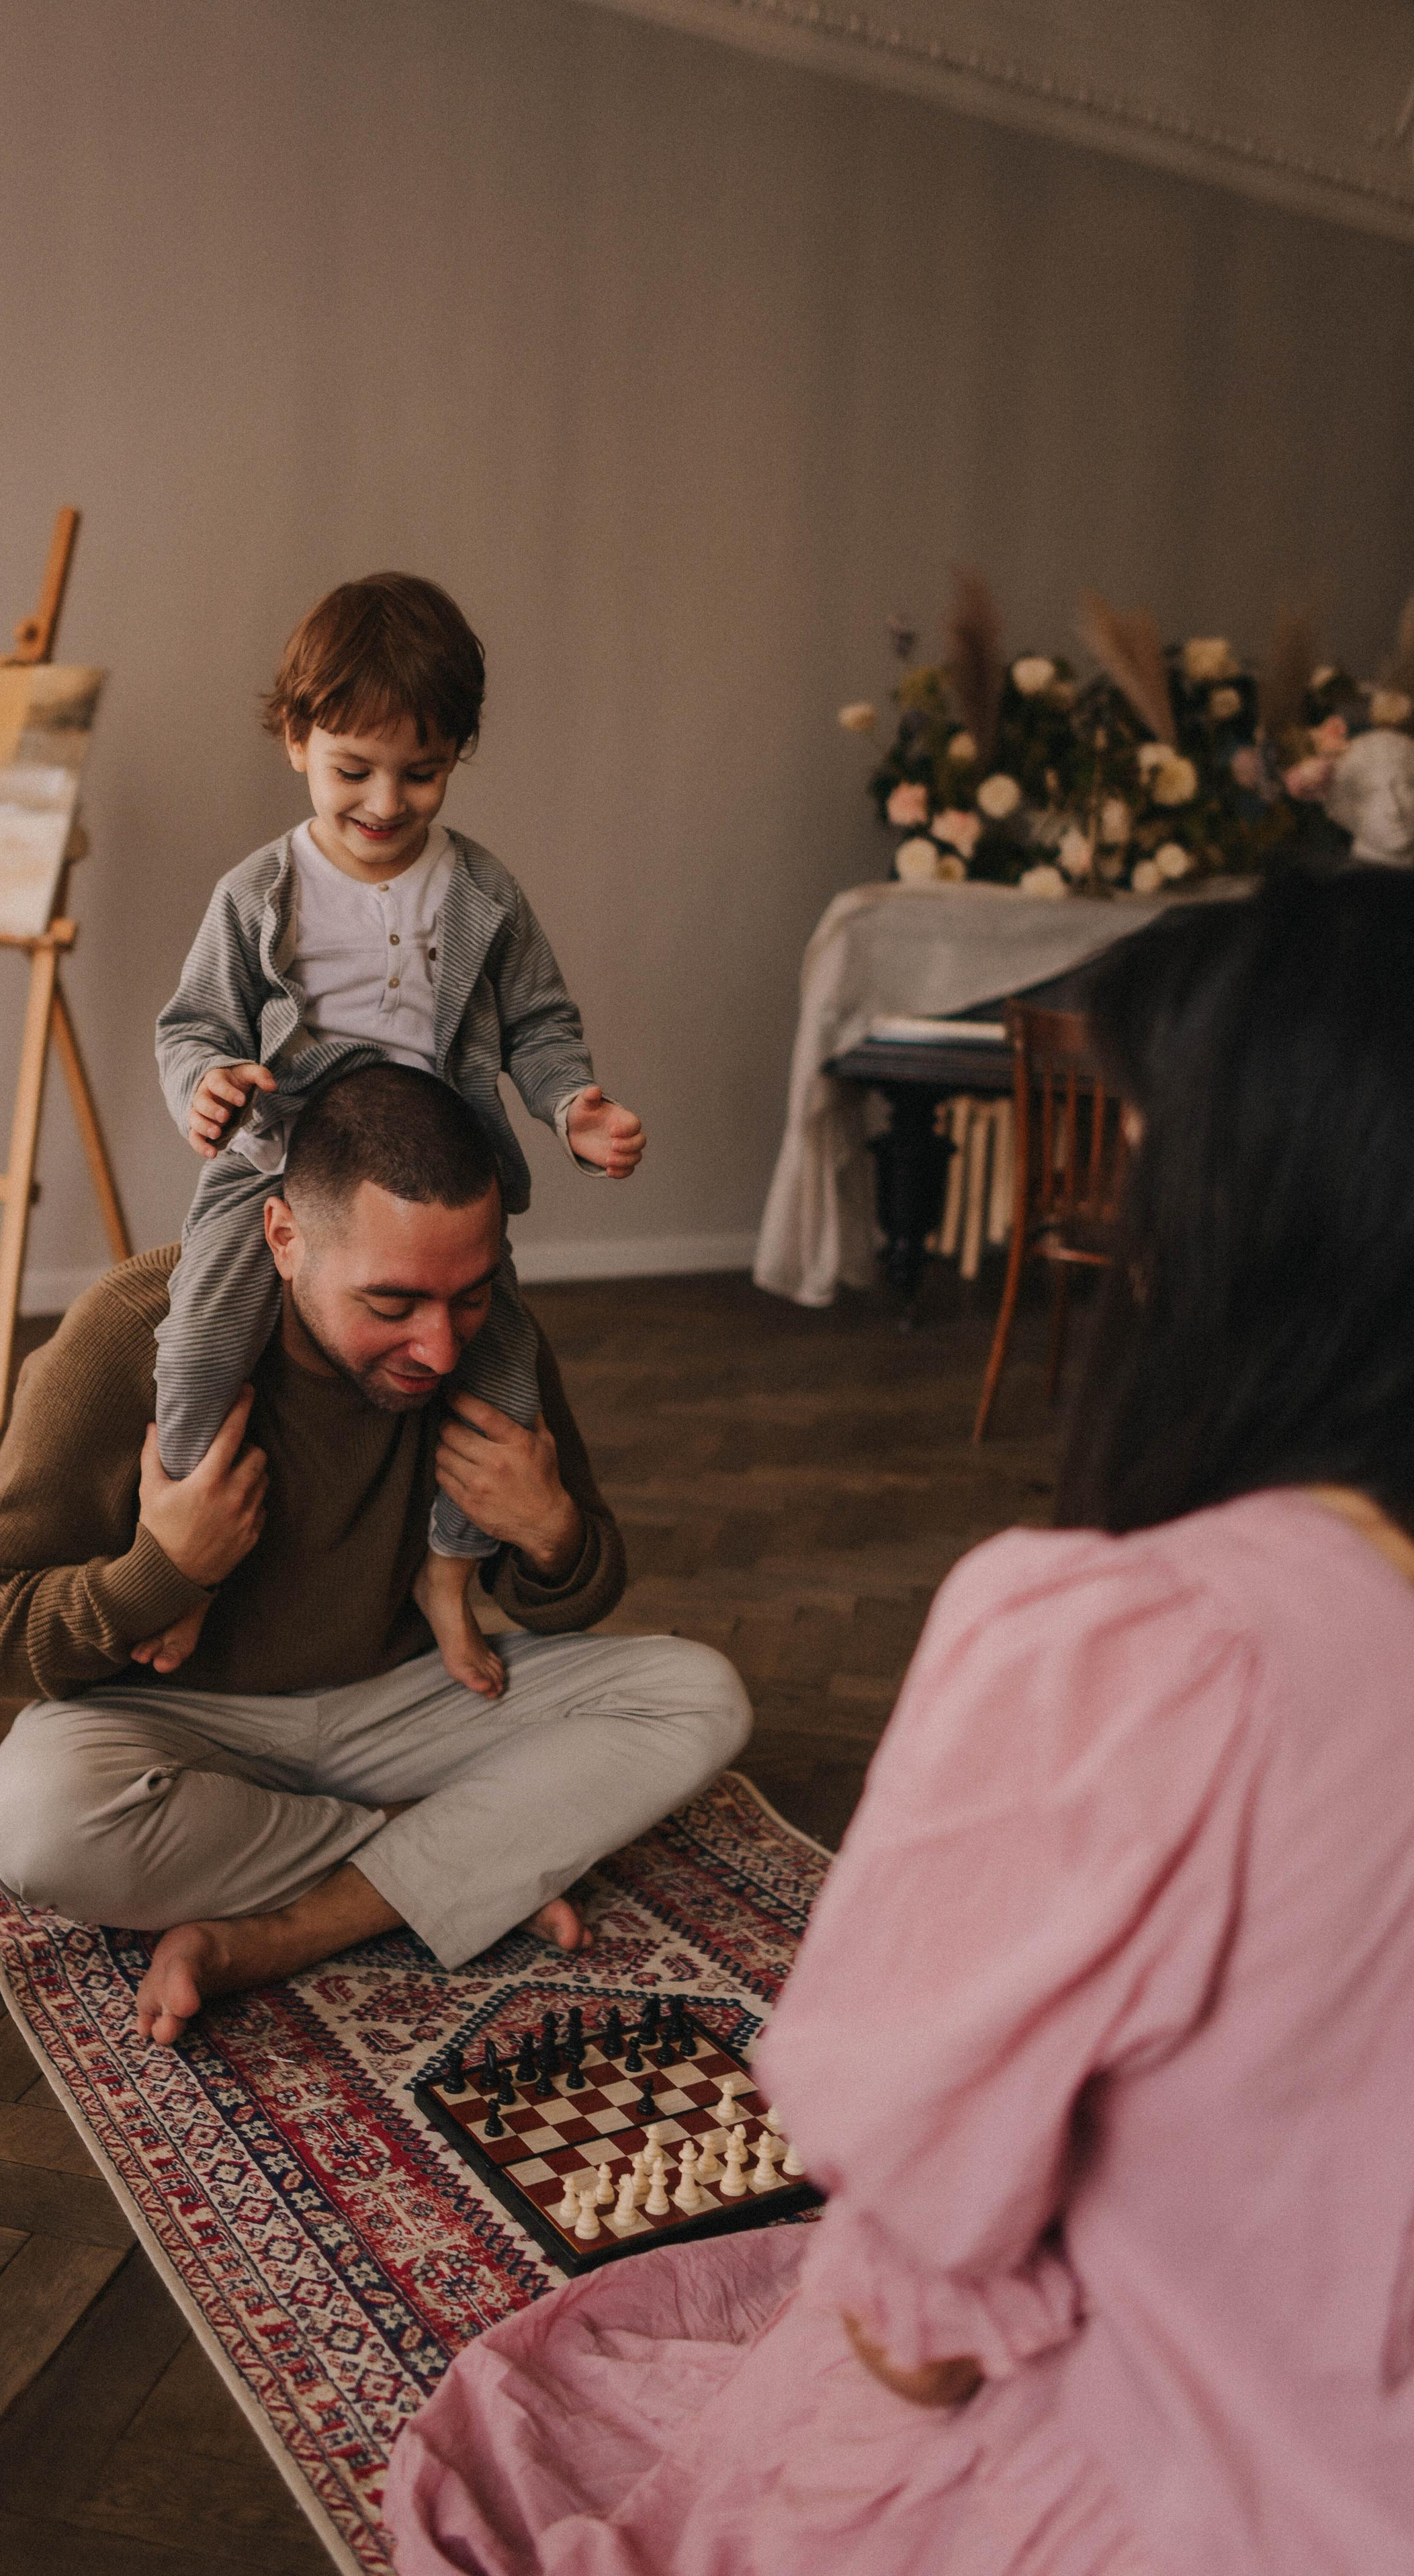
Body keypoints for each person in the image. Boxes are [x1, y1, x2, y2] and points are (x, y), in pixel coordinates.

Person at [384, 866, 1414, 2576]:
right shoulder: (162, 1341)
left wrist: (551, 1529)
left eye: (1149, 1145)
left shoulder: (1125, 1638)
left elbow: (911, 2305)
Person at [0, 1065, 750, 2049]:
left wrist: (552, 1531)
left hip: (402, 1699)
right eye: (394, 1302)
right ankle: (459, 1856)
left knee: (699, 1694)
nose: (440, 1348)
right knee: (34, 1825)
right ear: (285, 1237)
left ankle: (278, 1934)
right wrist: (162, 1569)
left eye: (470, 1296)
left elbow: (576, 1591)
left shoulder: (492, 1345)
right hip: (182, 1717)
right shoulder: (135, 1330)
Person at [153, 571, 646, 1701]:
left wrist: (574, 1106)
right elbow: (193, 1025)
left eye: (420, 772)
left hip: (438, 1176)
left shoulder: (479, 890)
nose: (385, 802)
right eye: (352, 771)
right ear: (296, 741)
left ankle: (445, 1571)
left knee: (508, 1369)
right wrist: (210, 1084)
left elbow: (540, 1024)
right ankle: (185, 1564)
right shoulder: (257, 893)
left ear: (459, 755)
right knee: (198, 1342)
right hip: (284, 1160)